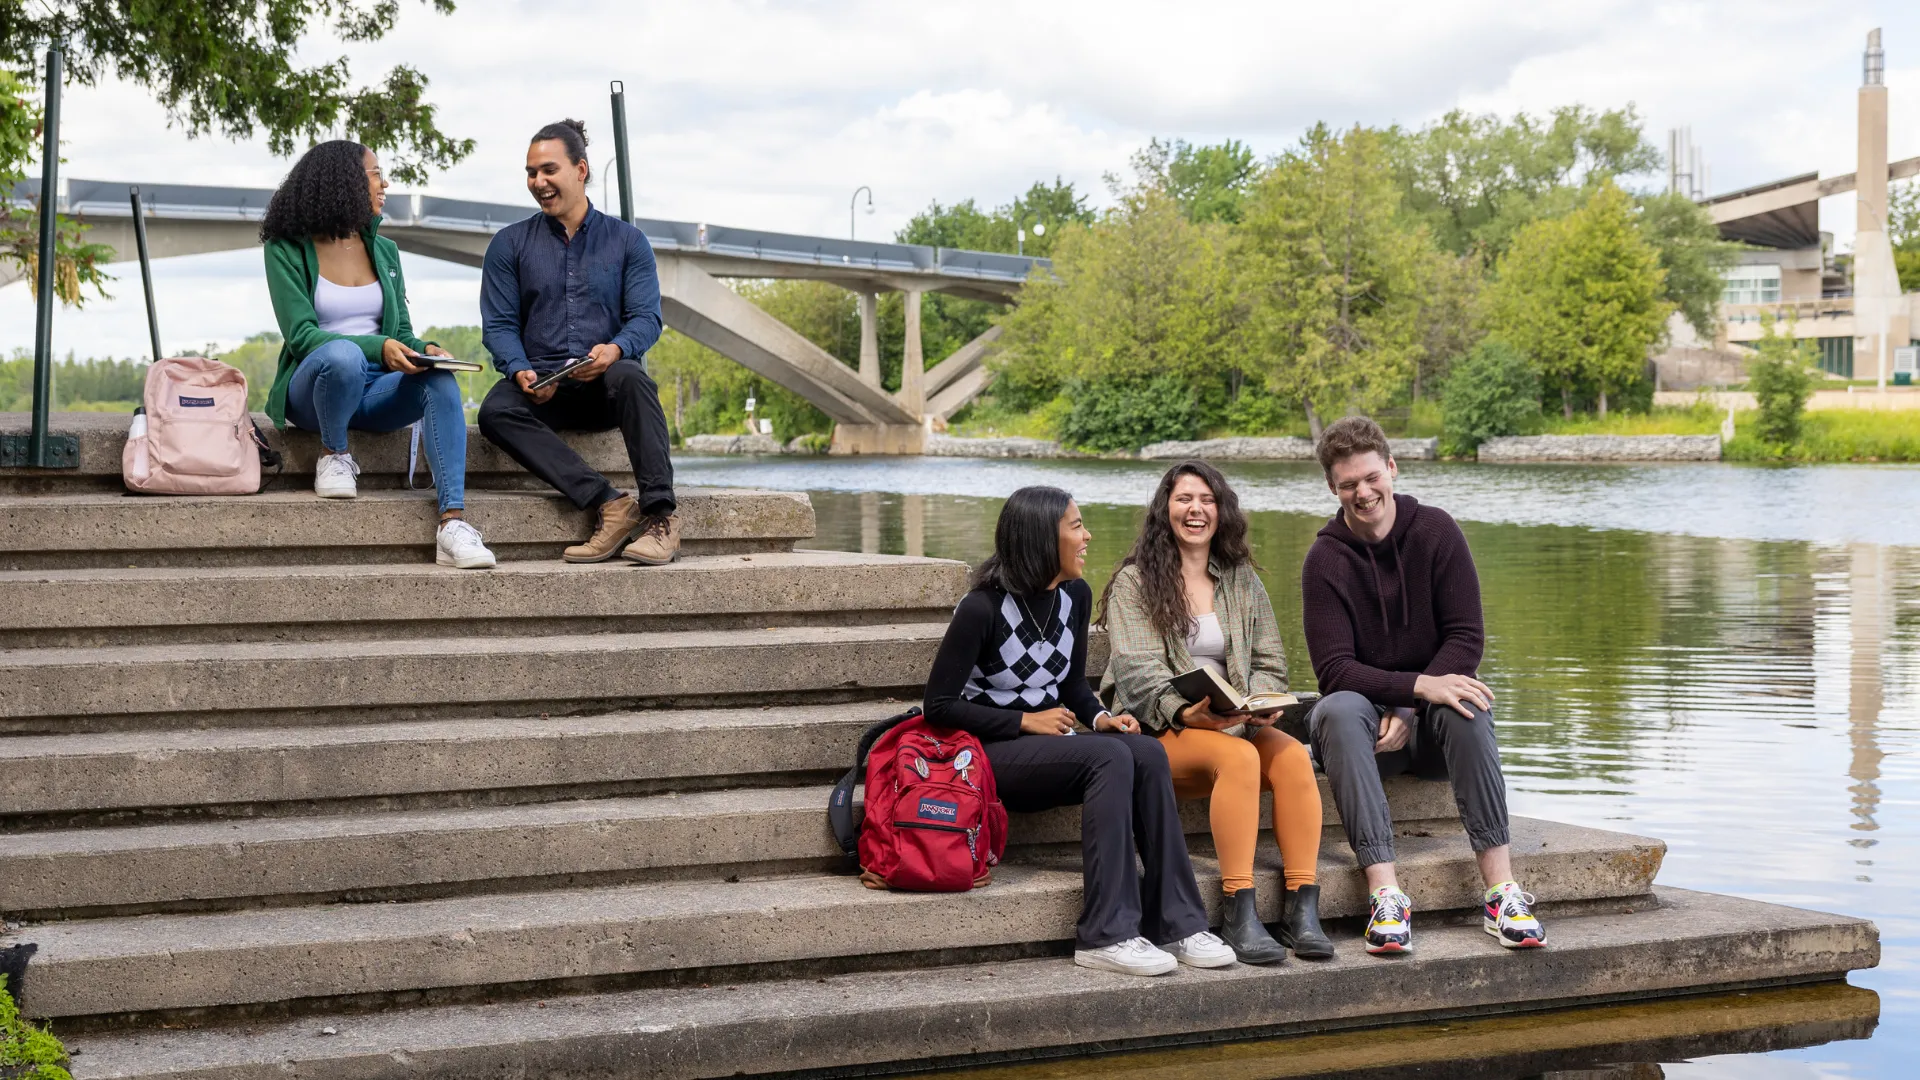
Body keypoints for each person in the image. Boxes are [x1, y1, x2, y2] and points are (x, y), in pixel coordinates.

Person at [924, 486, 1235, 977]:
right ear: (1042, 539)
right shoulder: (981, 608)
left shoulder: (1074, 596)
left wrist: (1099, 719)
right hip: (987, 757)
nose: (1087, 536)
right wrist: (1022, 721)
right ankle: (1106, 935)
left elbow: (1069, 682)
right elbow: (938, 707)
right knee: (1109, 758)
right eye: (1076, 527)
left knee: (1143, 751)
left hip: (1051, 751)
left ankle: (1176, 923)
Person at [1301, 416, 1545, 955]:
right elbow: (1335, 671)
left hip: (1429, 736)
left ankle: (1502, 892)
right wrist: (1412, 690)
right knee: (1339, 709)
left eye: (1370, 477)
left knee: (1467, 700)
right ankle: (1385, 895)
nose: (1363, 493)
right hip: (1363, 737)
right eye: (1348, 484)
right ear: (1332, 487)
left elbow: (1466, 638)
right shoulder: (1324, 559)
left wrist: (1414, 703)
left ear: (1391, 468)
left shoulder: (1436, 531)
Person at [1099, 461, 1333, 964]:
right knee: (1241, 759)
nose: (1196, 509)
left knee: (1293, 757)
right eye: (1184, 499)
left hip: (1235, 722)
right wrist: (1187, 712)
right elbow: (1138, 674)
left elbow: (1270, 660)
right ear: (1165, 510)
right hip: (1162, 730)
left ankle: (1302, 908)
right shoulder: (1134, 583)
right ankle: (1239, 909)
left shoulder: (1241, 580)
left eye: (1206, 499)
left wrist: (1263, 702)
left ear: (1222, 511)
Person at [261, 139, 495, 569]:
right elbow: (302, 336)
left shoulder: (385, 251)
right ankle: (334, 455)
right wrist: (378, 348)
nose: (384, 184)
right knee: (343, 356)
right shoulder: (285, 248)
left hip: (376, 390)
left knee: (439, 379)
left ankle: (453, 524)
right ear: (345, 181)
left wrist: (423, 350)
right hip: (317, 389)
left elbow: (399, 330)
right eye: (375, 174)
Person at [478, 119, 678, 566]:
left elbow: (647, 319)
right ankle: (609, 502)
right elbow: (499, 325)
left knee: (633, 378)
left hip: (606, 385)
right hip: (544, 388)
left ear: (581, 169)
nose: (538, 182)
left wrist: (615, 350)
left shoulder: (629, 243)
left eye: (549, 170)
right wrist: (519, 368)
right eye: (531, 173)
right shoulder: (508, 245)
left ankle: (661, 517)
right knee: (495, 411)